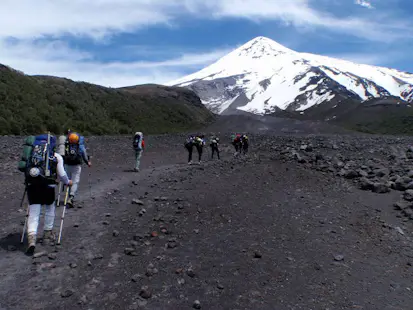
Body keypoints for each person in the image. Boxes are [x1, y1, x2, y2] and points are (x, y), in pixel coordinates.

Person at [20, 133, 72, 254]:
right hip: (48, 187)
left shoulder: (31, 155)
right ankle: (47, 233)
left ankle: (31, 238)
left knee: (33, 212)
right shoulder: (56, 156)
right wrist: (68, 182)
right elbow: (62, 174)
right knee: (49, 208)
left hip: (32, 185)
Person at [60, 131, 91, 207]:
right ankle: (71, 197)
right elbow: (84, 155)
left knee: (68, 180)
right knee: (75, 181)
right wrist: (88, 162)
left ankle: (67, 196)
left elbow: (62, 154)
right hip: (76, 165)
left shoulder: (66, 145)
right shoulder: (80, 146)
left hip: (67, 165)